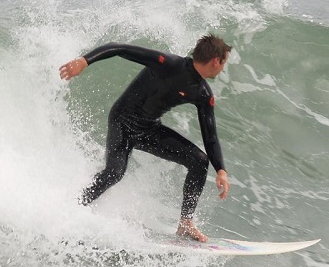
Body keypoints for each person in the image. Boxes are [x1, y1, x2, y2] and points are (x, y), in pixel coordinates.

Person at [59, 34, 232, 242]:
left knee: (200, 161)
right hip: (122, 122)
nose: (223, 68)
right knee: (114, 172)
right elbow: (120, 48)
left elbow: (210, 135)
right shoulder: (168, 64)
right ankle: (73, 208)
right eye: (224, 62)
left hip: (149, 129)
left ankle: (186, 224)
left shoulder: (203, 94)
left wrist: (220, 169)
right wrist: (85, 61)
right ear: (216, 61)